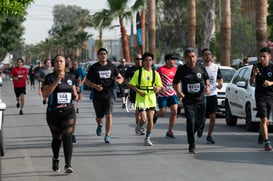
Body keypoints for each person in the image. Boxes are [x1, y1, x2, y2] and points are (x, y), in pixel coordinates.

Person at [43, 55, 78, 173]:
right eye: (56, 61)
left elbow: (74, 94)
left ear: (65, 64)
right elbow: (45, 94)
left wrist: (76, 94)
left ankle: (68, 164)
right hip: (53, 112)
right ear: (54, 64)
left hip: (68, 111)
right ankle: (56, 157)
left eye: (61, 61)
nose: (59, 63)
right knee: (57, 138)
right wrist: (56, 81)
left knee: (67, 136)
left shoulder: (70, 77)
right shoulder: (49, 78)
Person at [173, 48, 210, 154]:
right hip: (188, 100)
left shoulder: (201, 67)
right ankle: (192, 145)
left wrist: (207, 87)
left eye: (193, 56)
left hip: (201, 99)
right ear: (185, 58)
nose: (192, 58)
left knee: (200, 121)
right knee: (190, 121)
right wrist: (178, 92)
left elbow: (206, 78)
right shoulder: (181, 69)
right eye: (189, 57)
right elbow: (175, 83)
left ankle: (199, 128)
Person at [85, 48, 124, 143]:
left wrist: (119, 81)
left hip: (109, 94)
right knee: (99, 117)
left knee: (109, 115)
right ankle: (100, 124)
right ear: (98, 56)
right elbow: (86, 81)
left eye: (104, 54)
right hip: (97, 95)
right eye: (101, 54)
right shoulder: (94, 67)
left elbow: (121, 77)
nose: (103, 55)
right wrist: (95, 86)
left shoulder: (112, 67)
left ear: (107, 55)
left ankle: (107, 135)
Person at [129, 52, 163, 146]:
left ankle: (147, 138)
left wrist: (157, 88)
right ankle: (139, 126)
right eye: (146, 60)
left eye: (150, 60)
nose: (148, 62)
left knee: (151, 119)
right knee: (144, 119)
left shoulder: (155, 73)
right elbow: (131, 84)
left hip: (151, 98)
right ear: (143, 62)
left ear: (152, 61)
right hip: (141, 98)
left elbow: (160, 85)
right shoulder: (138, 72)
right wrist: (139, 91)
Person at [250, 47, 273, 151]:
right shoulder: (256, 67)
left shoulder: (272, 68)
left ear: (269, 57)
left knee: (267, 120)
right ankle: (267, 142)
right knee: (263, 118)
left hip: (270, 96)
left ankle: (261, 132)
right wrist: (254, 75)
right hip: (259, 95)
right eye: (261, 56)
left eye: (264, 56)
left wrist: (270, 83)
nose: (262, 58)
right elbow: (250, 83)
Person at [154, 53, 178, 138]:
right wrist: (159, 87)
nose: (174, 61)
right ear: (167, 60)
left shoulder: (176, 70)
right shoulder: (160, 70)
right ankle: (155, 115)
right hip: (163, 94)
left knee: (174, 111)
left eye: (175, 59)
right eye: (173, 59)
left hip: (173, 94)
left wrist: (179, 92)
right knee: (162, 113)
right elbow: (155, 82)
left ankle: (170, 131)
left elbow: (178, 82)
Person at [201, 48, 223, 144]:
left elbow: (220, 78)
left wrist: (220, 84)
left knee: (213, 116)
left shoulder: (216, 67)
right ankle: (201, 127)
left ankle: (209, 135)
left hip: (213, 94)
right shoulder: (199, 67)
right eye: (205, 54)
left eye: (209, 54)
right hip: (202, 95)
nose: (207, 56)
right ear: (202, 56)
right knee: (203, 116)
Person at [124, 54, 143, 135]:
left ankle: (139, 126)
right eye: (137, 59)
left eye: (141, 59)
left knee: (145, 111)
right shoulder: (130, 69)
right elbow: (124, 78)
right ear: (134, 60)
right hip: (134, 92)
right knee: (138, 111)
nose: (139, 60)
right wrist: (129, 85)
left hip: (144, 93)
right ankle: (140, 128)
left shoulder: (145, 69)